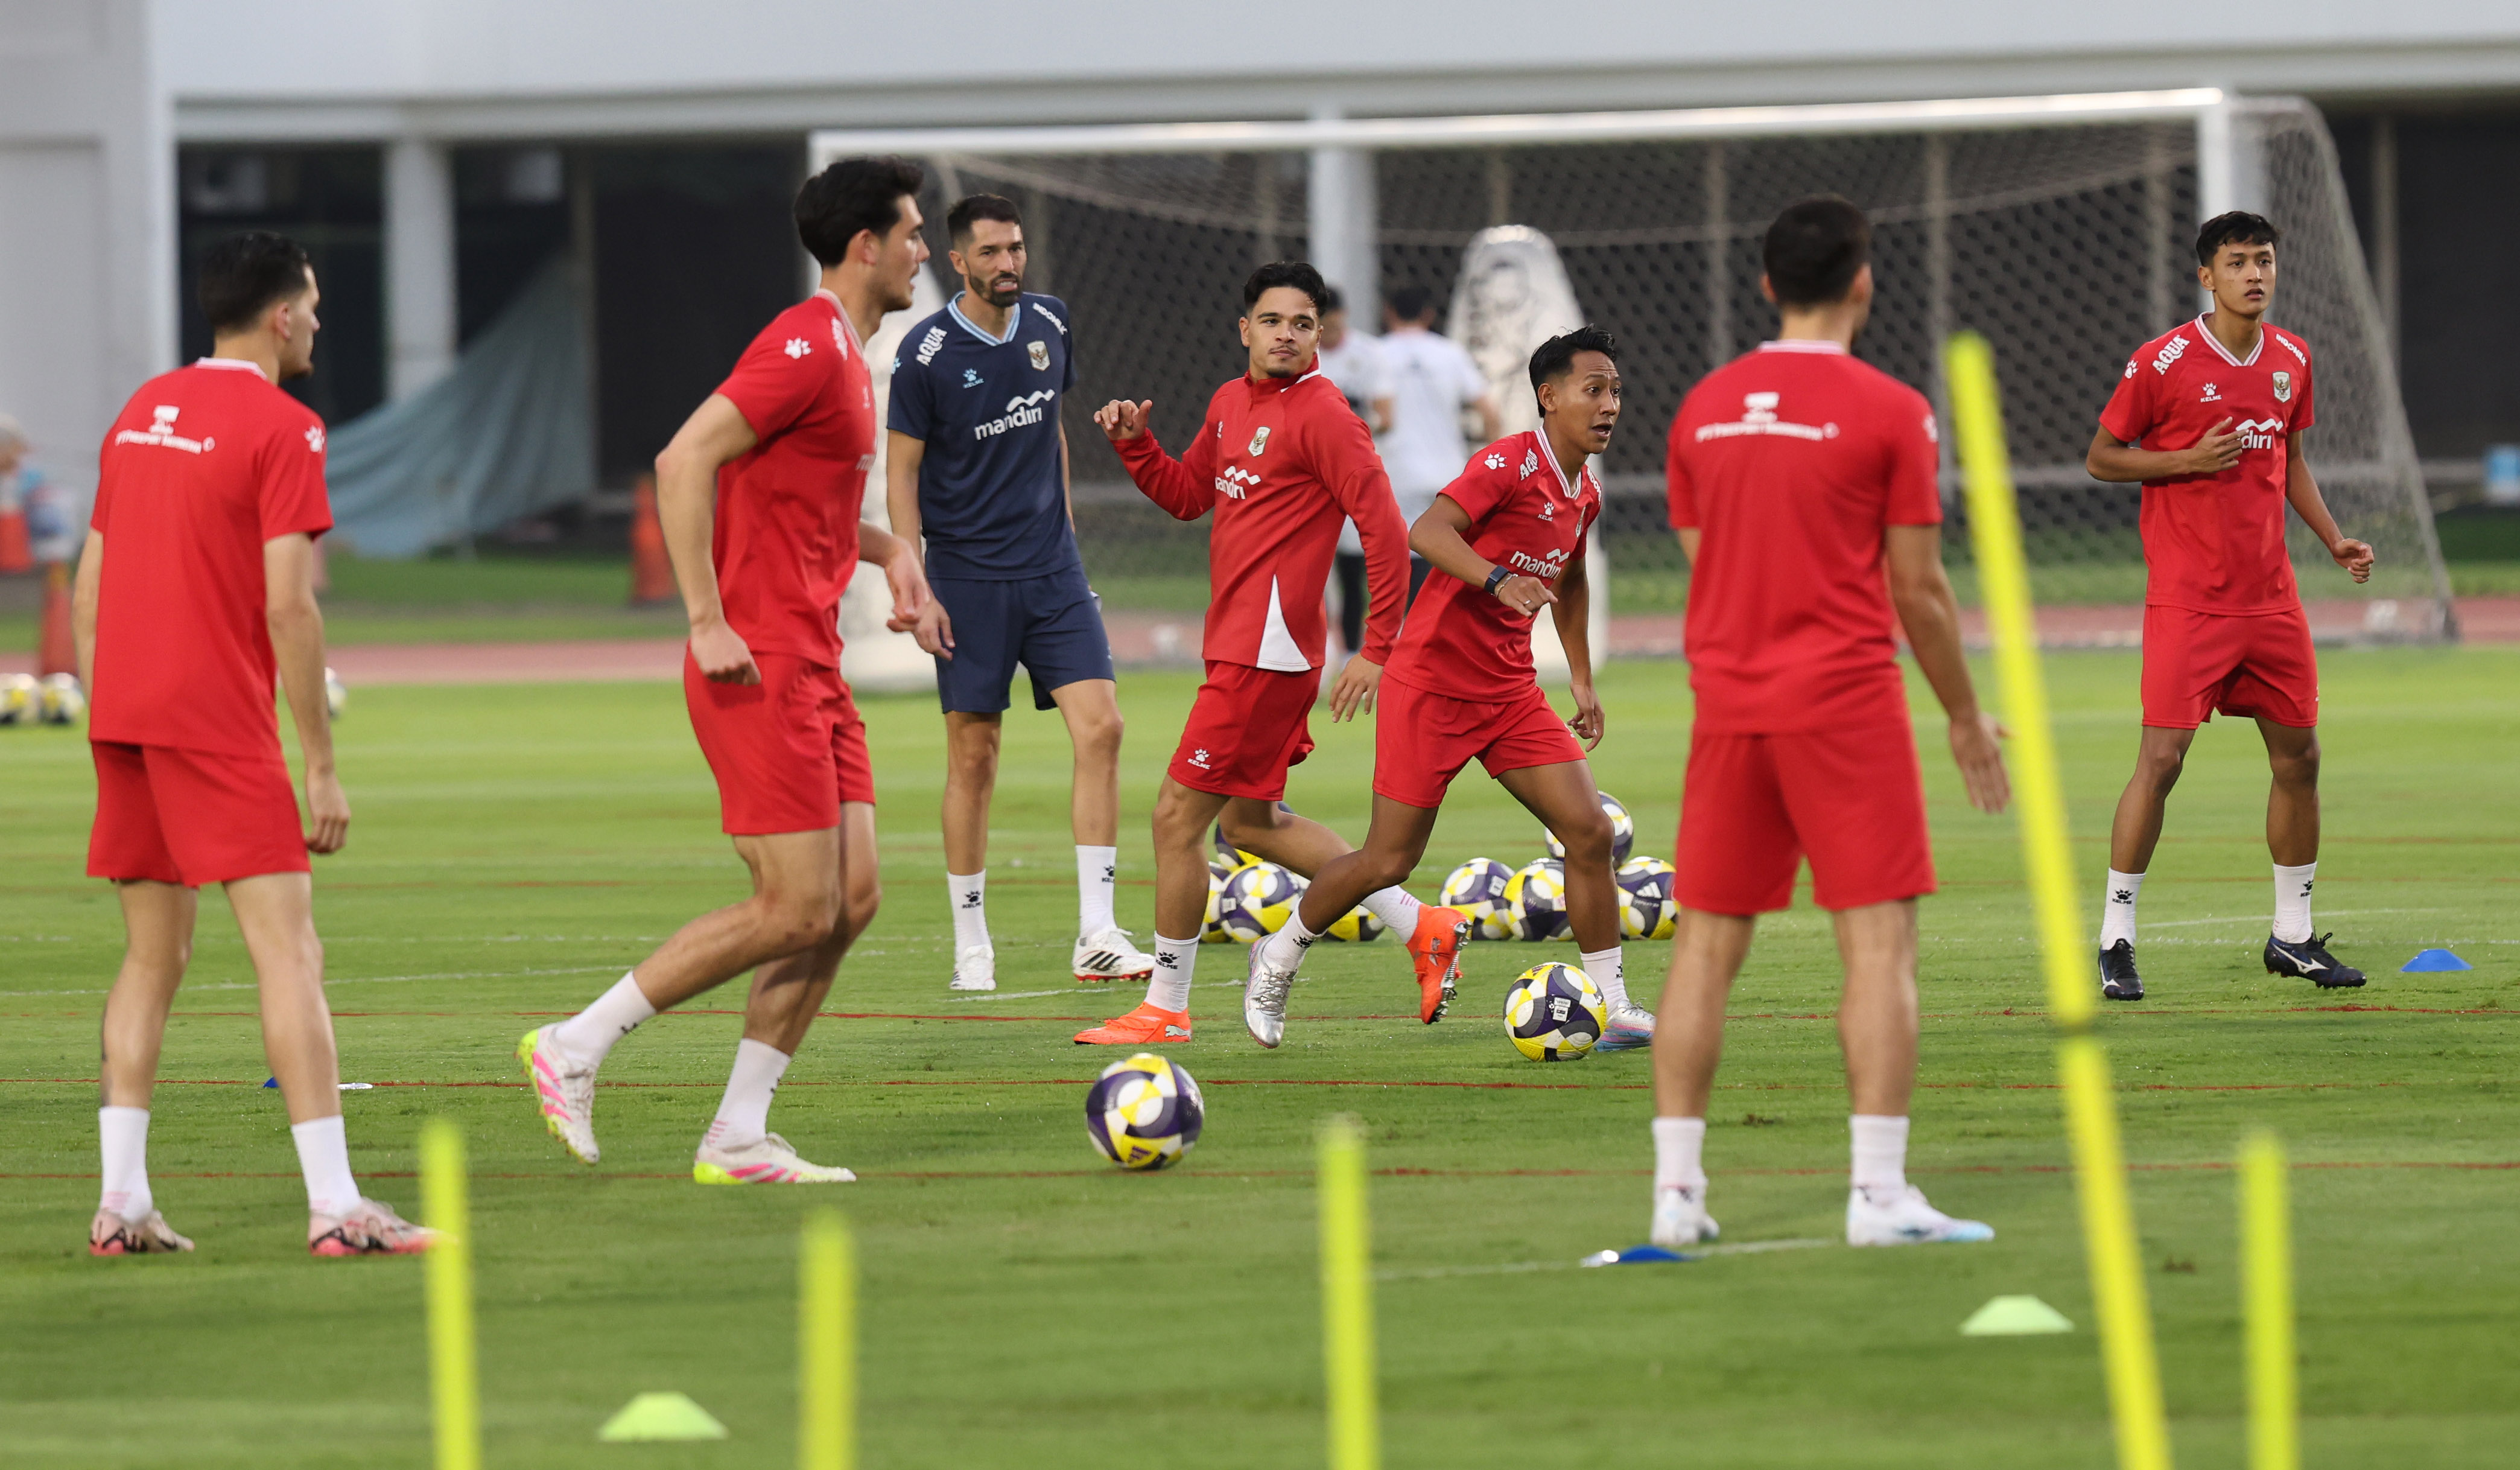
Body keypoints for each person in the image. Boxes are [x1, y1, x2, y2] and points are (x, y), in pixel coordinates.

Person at [518, 158, 934, 1185]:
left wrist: (898, 558)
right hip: (758, 661)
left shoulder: (851, 354)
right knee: (796, 905)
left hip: (813, 661)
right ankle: (574, 1043)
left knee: (853, 895)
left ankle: (739, 1133)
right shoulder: (803, 341)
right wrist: (705, 618)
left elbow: (810, 511)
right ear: (866, 247)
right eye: (916, 233)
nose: (928, 250)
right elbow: (682, 458)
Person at [1651, 197, 2013, 1249]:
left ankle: (1675, 1199)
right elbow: (1921, 588)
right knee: (1879, 946)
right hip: (1844, 704)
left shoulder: (1701, 407)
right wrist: (1962, 717)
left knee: (1705, 950)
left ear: (1766, 285)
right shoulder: (1891, 408)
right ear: (1862, 281)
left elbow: (1697, 548)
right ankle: (1878, 1196)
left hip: (1726, 706)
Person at [76, 231, 430, 1256]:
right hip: (213, 722)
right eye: (312, 307)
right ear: (281, 316)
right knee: (291, 954)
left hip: (127, 720)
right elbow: (291, 607)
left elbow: (90, 590)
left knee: (152, 959)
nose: (318, 322)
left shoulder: (141, 410)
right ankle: (336, 1207)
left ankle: (122, 1202)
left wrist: (111, 717)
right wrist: (320, 761)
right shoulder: (287, 428)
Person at [1073, 261, 1468, 1048]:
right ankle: (1421, 924)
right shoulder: (1229, 402)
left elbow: (1386, 530)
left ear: (1318, 335)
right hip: (1241, 650)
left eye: (1302, 323)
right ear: (1245, 328)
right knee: (1252, 824)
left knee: (1175, 820)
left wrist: (1377, 646)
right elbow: (1190, 495)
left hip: (1268, 654)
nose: (1286, 334)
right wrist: (1136, 444)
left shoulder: (1325, 414)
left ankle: (1167, 1006)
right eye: (1273, 320)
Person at [1248, 326, 1656, 1051]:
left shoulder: (1581, 493)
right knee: (1386, 861)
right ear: (1548, 396)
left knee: (1589, 831)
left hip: (1508, 695)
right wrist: (1499, 579)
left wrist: (1583, 677)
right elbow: (1425, 530)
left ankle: (1615, 1003)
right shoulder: (1506, 462)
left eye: (1616, 391)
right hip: (1430, 688)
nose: (1609, 405)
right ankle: (1278, 955)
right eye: (1594, 390)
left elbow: (1572, 577)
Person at [2085, 211, 2376, 1001]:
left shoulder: (2291, 358)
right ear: (2206, 276)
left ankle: (2292, 938)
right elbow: (2102, 457)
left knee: (2300, 760)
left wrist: (2333, 541)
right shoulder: (2164, 361)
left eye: (2265, 261)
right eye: (2238, 262)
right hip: (2189, 604)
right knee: (2161, 764)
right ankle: (2115, 939)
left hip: (2271, 604)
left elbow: (2291, 463)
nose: (2255, 274)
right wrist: (2182, 460)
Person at [885, 194, 1149, 994]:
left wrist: (1062, 526)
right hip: (967, 577)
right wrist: (915, 575)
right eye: (991, 252)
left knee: (1101, 729)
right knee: (975, 756)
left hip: (1053, 572)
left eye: (1016, 249)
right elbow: (901, 471)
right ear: (957, 262)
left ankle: (1097, 933)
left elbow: (1053, 430)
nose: (1008, 264)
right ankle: (972, 944)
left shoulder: (1051, 323)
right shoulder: (924, 356)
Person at [1380, 284, 1501, 605]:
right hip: (1450, 474)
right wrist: (1493, 464)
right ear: (1429, 315)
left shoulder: (1376, 354)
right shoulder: (1450, 353)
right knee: (1452, 558)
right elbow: (1489, 412)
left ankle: (1406, 637)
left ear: (1388, 313)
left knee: (1402, 560)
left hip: (1396, 471)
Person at [1314, 284, 1395, 656]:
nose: (1328, 331)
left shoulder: (1368, 353)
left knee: (1354, 573)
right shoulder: (1301, 354)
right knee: (1306, 575)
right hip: (1308, 476)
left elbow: (1386, 416)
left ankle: (1353, 656)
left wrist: (1350, 433)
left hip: (1351, 475)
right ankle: (1311, 659)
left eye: (1333, 322)